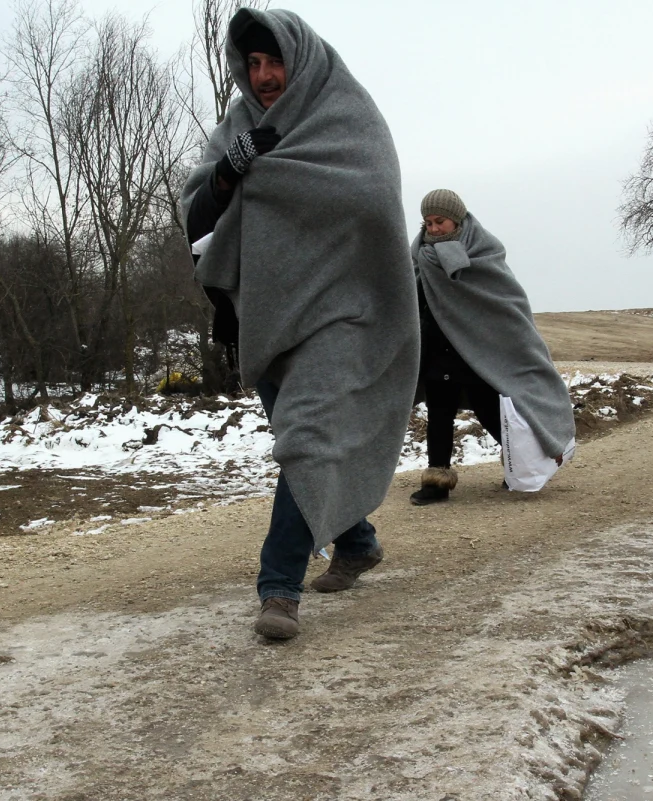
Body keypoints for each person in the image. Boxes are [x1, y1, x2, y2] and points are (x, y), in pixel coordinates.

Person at [180, 9, 419, 640]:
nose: (263, 75)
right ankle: (357, 542)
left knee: (307, 440)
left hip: (345, 313)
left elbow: (372, 204)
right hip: (263, 318)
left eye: (274, 61)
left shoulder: (347, 118)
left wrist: (283, 183)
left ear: (301, 59)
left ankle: (278, 589)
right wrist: (229, 172)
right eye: (253, 63)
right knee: (304, 443)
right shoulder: (239, 126)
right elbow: (196, 219)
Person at [409, 189, 575, 504]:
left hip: (477, 352)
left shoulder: (484, 251)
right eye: (428, 223)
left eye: (440, 221)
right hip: (437, 349)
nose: (433, 229)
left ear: (456, 219)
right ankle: (436, 484)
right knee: (439, 412)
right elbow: (410, 298)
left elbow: (504, 302)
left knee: (488, 410)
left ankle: (524, 464)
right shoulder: (420, 254)